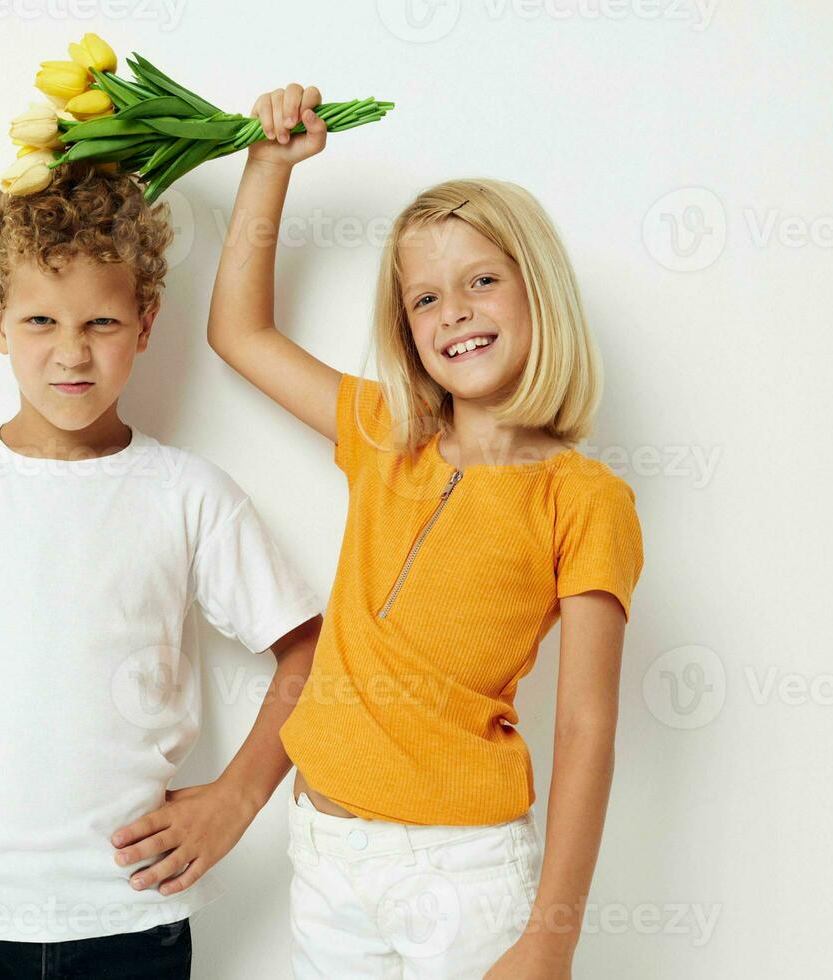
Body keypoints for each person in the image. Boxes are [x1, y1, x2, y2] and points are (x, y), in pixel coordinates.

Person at [0, 160, 324, 979]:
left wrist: (236, 799)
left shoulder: (186, 494)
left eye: (101, 324)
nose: (71, 354)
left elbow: (310, 648)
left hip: (132, 913)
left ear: (146, 324)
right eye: (40, 320)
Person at [207, 83, 646, 979]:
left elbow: (588, 727)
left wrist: (551, 938)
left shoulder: (582, 497)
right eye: (426, 299)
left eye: (482, 281)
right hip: (326, 852)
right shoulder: (383, 437)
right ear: (406, 331)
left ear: (538, 293)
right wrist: (268, 168)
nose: (455, 313)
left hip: (466, 872)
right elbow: (239, 333)